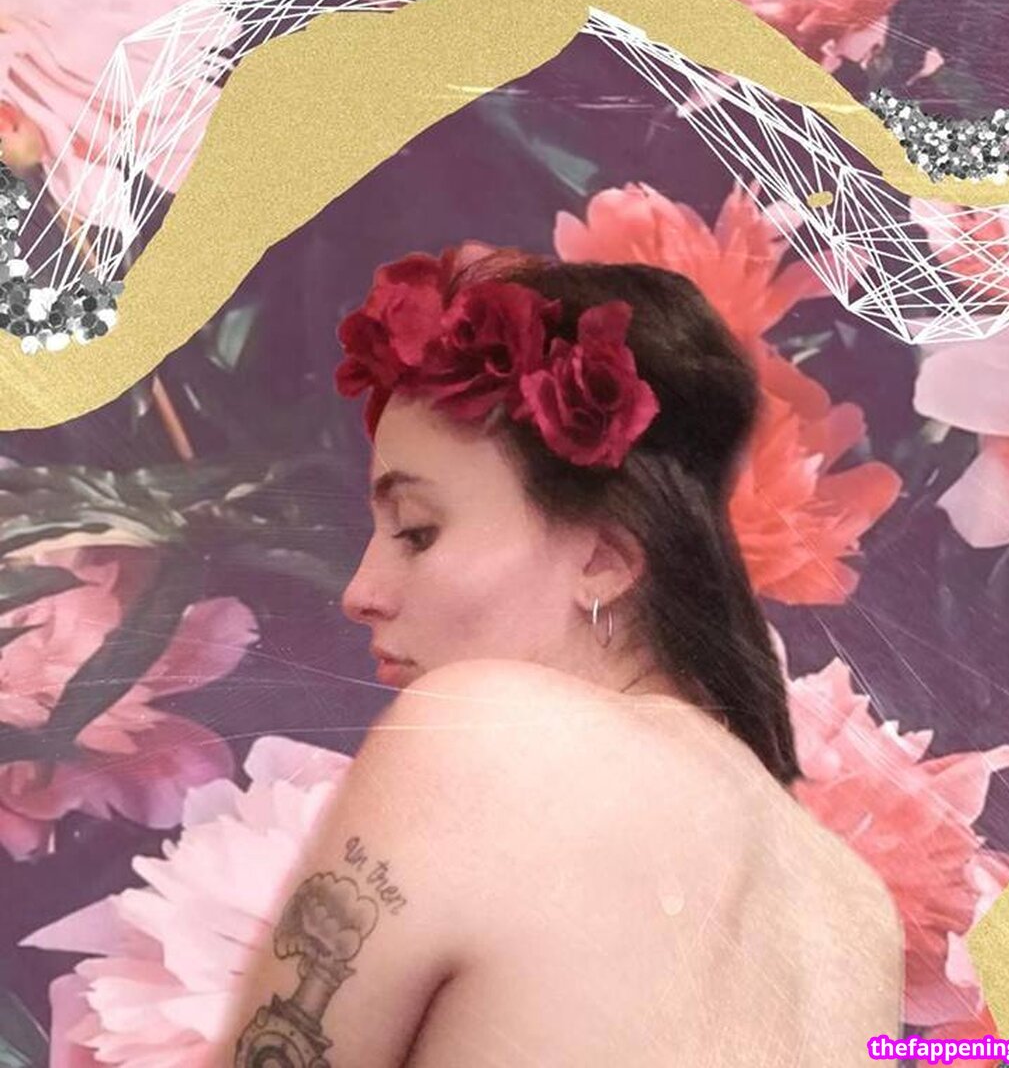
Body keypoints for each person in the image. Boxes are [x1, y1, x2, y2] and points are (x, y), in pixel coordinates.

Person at [219, 244, 904, 1067]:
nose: (360, 592)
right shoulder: (852, 908)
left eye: (418, 531)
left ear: (604, 559)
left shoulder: (482, 730)